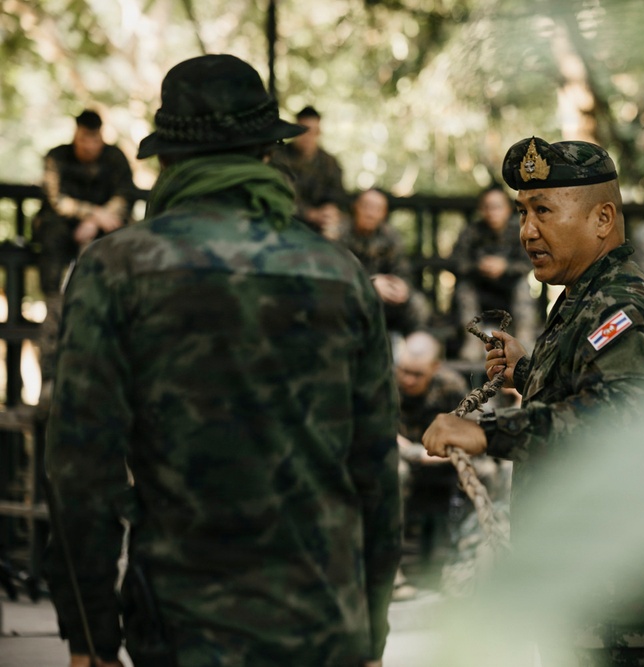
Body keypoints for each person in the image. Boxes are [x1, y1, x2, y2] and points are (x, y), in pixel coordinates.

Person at [42, 54, 400, 667]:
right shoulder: (340, 273)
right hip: (325, 621)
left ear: (167, 161)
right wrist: (371, 634)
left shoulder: (115, 268)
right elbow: (374, 467)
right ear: (267, 155)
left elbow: (80, 469)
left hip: (182, 627)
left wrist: (90, 636)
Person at [423, 137, 644, 666]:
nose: (527, 231)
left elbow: (610, 420)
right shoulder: (583, 297)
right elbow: (588, 389)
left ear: (602, 219)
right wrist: (526, 372)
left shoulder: (622, 305)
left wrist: (486, 432)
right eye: (523, 213)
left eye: (544, 211)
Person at [34, 109, 135, 392]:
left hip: (103, 235)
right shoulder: (58, 156)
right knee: (56, 313)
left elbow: (124, 196)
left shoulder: (114, 158)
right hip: (61, 236)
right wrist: (91, 214)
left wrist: (95, 221)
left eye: (94, 140)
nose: (89, 146)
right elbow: (56, 200)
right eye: (83, 140)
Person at [395, 332, 472, 569]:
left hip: (443, 456)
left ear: (435, 367)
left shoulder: (450, 386)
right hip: (401, 456)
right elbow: (377, 429)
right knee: (396, 472)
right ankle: (393, 567)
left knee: (485, 472)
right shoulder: (386, 383)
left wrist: (444, 451)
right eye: (404, 371)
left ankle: (467, 563)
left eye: (417, 374)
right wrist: (413, 453)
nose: (408, 380)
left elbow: (468, 429)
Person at [451, 185, 537, 359]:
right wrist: (479, 266)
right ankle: (472, 341)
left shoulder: (519, 231)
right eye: (488, 207)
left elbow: (530, 262)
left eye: (497, 207)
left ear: (507, 209)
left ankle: (525, 342)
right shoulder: (472, 231)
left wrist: (505, 267)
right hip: (480, 289)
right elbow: (456, 262)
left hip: (509, 290)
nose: (492, 212)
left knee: (523, 286)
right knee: (464, 288)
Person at [339, 188, 429, 337]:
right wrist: (370, 284)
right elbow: (335, 276)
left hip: (385, 298)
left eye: (377, 209)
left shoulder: (390, 236)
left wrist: (401, 285)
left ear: (384, 213)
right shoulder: (339, 233)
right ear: (355, 207)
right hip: (351, 296)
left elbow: (402, 270)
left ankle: (413, 343)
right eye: (366, 207)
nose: (370, 213)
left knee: (417, 303)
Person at [268, 105, 347, 239]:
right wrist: (310, 214)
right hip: (285, 221)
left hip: (318, 228)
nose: (307, 137)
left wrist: (330, 211)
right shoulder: (279, 157)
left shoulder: (329, 163)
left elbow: (337, 196)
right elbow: (276, 196)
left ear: (319, 133)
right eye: (303, 131)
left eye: (312, 132)